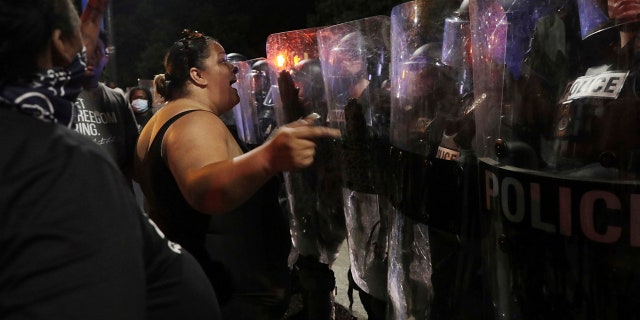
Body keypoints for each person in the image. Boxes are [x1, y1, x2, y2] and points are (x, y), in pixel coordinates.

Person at [0, 0, 221, 319]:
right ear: (60, 45)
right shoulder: (58, 163)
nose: (88, 54)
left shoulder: (34, 136)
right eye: (79, 39)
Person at [134, 29, 341, 319]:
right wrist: (270, 157)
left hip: (200, 291)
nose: (233, 68)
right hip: (228, 302)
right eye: (221, 61)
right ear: (198, 76)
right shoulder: (194, 120)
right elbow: (203, 190)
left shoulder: (161, 120)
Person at [75, 0, 139, 181]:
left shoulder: (118, 98)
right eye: (85, 49)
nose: (90, 56)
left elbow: (133, 154)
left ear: (106, 57)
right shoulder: (63, 95)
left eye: (96, 51)